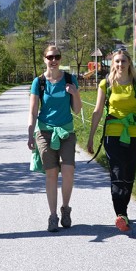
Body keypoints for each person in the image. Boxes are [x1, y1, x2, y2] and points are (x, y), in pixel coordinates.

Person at [86, 49, 136, 233]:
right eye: (116, 61)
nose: (119, 64)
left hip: (135, 134)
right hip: (113, 134)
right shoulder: (106, 84)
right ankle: (121, 214)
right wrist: (91, 136)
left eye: (123, 61)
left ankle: (123, 212)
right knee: (117, 172)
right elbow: (98, 111)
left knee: (129, 174)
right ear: (112, 63)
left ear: (129, 63)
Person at [28, 45, 82, 232]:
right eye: (50, 57)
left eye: (57, 56)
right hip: (44, 132)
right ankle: (53, 215)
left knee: (68, 171)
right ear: (44, 59)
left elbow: (77, 109)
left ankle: (65, 208)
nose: (54, 60)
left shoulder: (69, 79)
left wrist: (75, 93)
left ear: (60, 59)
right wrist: (30, 134)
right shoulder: (39, 82)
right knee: (51, 174)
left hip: (66, 132)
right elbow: (34, 110)